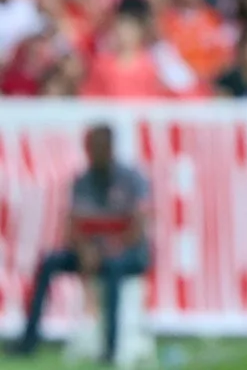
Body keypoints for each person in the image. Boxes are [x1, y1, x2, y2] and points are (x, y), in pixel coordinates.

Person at [8, 124, 151, 364]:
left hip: (127, 253)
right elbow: (72, 227)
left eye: (98, 148)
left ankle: (110, 348)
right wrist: (85, 250)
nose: (94, 154)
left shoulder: (132, 179)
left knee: (114, 267)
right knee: (48, 262)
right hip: (90, 252)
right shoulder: (82, 181)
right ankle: (29, 339)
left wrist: (107, 248)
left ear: (110, 148)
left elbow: (139, 227)